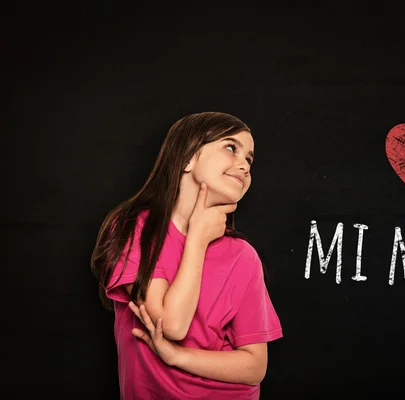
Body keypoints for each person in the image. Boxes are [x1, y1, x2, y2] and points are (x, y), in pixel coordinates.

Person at [90, 112, 283, 399]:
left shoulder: (243, 255)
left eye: (250, 160)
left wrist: (177, 357)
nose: (244, 165)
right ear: (188, 158)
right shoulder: (135, 228)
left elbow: (255, 367)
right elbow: (171, 325)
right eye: (231, 147)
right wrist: (197, 238)